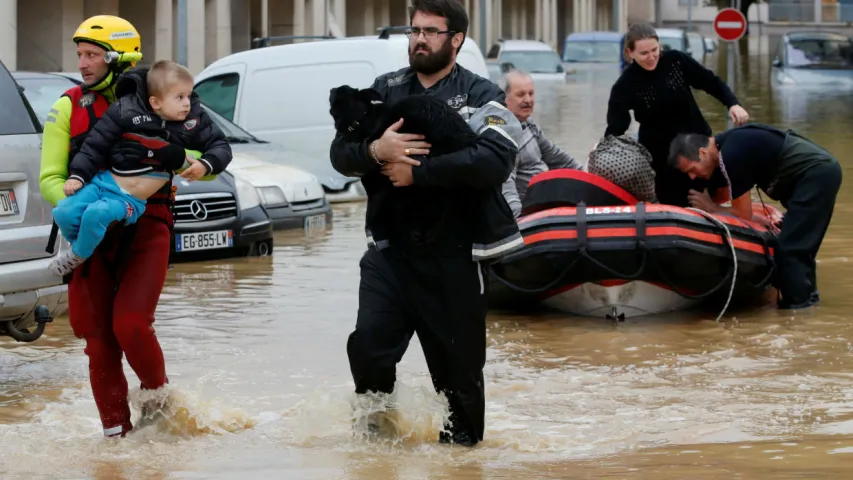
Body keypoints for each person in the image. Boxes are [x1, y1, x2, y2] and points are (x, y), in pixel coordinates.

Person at [329, 0, 524, 447]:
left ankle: (462, 461)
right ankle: (376, 450)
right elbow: (340, 153)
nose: (419, 39)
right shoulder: (384, 88)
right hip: (389, 253)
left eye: (431, 31)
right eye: (414, 30)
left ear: (456, 39)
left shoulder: (482, 94)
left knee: (460, 378)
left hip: (455, 255)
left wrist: (418, 172)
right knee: (369, 349)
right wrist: (377, 151)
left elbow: (495, 159)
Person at [38, 15, 213, 439]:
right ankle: (117, 438)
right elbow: (49, 179)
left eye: (92, 55)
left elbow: (203, 154)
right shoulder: (67, 106)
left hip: (147, 223)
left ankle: (159, 410)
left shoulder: (165, 96)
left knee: (131, 325)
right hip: (89, 231)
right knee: (98, 341)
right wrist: (84, 205)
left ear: (120, 57)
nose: (82, 63)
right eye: (80, 54)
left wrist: (186, 162)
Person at [49, 60, 231, 276]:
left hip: (129, 200)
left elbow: (221, 146)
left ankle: (78, 255)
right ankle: (80, 244)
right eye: (179, 97)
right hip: (102, 183)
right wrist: (78, 176)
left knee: (95, 215)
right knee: (63, 212)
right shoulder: (125, 110)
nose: (187, 104)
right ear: (155, 102)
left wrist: (205, 165)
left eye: (189, 96)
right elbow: (95, 145)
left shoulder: (193, 120)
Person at [667, 125, 843, 310]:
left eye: (692, 169)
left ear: (703, 153)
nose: (693, 177)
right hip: (817, 173)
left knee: (790, 249)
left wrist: (710, 207)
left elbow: (743, 214)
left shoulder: (731, 155)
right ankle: (808, 303)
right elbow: (735, 201)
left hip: (814, 174)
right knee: (798, 246)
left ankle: (798, 313)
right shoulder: (727, 146)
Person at [604, 22, 751, 207]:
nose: (651, 57)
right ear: (629, 53)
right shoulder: (624, 86)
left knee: (712, 196)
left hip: (698, 147)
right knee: (675, 205)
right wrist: (604, 148)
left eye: (654, 50)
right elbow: (616, 128)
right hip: (662, 159)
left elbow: (710, 82)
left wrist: (733, 104)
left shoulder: (676, 61)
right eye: (644, 53)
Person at [499, 69, 583, 217]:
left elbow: (559, 159)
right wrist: (519, 220)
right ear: (503, 99)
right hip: (530, 211)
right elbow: (506, 185)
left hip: (548, 199)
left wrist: (589, 177)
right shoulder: (503, 136)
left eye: (531, 94)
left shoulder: (529, 125)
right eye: (520, 95)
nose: (528, 100)